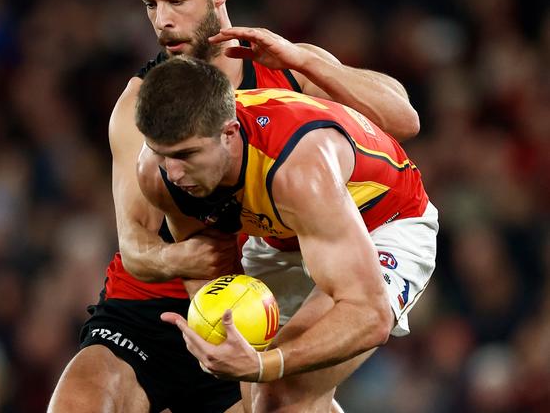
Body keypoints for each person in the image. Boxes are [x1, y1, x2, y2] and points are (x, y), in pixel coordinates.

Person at [48, 0, 421, 412]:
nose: (162, 21)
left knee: (277, 399)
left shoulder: (284, 72)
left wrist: (309, 61)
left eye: (176, 0)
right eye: (150, 4)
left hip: (255, 295)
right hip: (154, 303)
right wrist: (184, 261)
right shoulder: (144, 107)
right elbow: (136, 245)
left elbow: (404, 120)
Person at [135, 56, 438, 412]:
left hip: (382, 224)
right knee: (260, 404)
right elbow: (211, 269)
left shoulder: (299, 169)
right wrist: (220, 335)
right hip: (282, 232)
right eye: (161, 154)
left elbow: (370, 315)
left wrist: (267, 364)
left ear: (229, 133)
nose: (173, 173)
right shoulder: (158, 176)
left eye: (186, 154)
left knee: (279, 394)